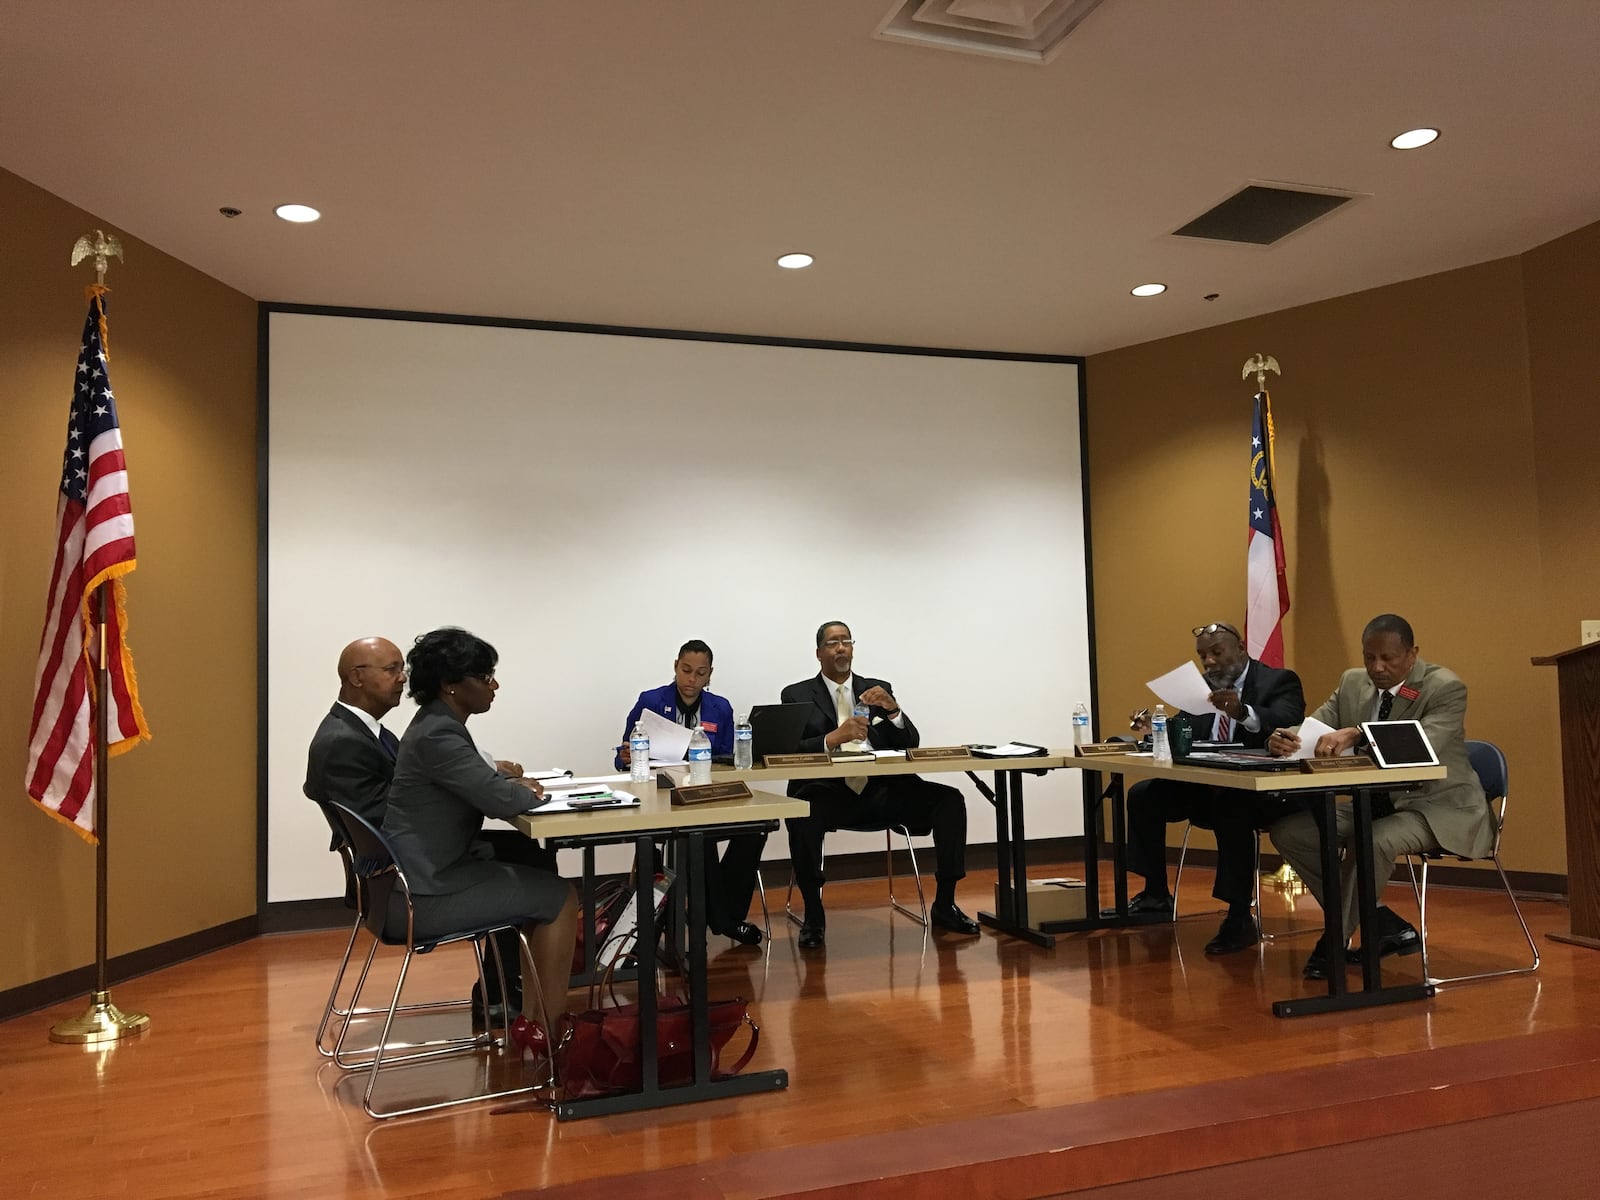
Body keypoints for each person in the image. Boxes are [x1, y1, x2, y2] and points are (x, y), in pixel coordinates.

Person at [1266, 614, 1494, 980]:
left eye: (1388, 658)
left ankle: (1335, 941)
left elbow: (1419, 745)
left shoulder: (1444, 687)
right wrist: (1283, 737)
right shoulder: (1353, 682)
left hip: (1437, 807)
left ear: (1413, 654)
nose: (1377, 667)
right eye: (1369, 657)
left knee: (1371, 841)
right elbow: (1318, 725)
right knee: (1294, 833)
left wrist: (1357, 732)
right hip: (1374, 803)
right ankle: (1379, 921)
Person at [382, 627, 579, 1049]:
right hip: (425, 893)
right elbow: (500, 799)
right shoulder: (439, 734)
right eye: (485, 676)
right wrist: (520, 789)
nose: (495, 685)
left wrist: (508, 784)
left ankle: (530, 1014)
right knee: (561, 898)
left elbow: (485, 782)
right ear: (452, 684)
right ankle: (547, 1026)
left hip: (419, 878)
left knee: (533, 866)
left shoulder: (437, 724)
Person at [781, 621, 979, 949]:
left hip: (882, 789)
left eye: (846, 641)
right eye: (833, 643)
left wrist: (893, 710)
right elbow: (790, 751)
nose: (841, 648)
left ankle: (945, 903)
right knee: (803, 814)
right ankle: (814, 915)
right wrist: (833, 738)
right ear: (819, 653)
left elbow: (908, 742)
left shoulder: (877, 688)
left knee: (949, 800)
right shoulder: (796, 694)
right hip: (829, 792)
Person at [1124, 622, 1306, 955]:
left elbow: (1287, 719)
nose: (1208, 662)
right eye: (1202, 656)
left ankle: (1239, 916)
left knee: (1231, 806)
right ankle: (1155, 895)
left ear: (1240, 648)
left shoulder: (1277, 681)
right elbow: (1187, 730)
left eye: (1216, 653)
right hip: (1207, 785)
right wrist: (1157, 727)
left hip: (1259, 793)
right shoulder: (1202, 687)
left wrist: (1241, 711)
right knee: (1143, 795)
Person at [614, 639, 768, 945]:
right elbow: (623, 757)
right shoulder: (651, 701)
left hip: (707, 795)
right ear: (675, 667)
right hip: (661, 799)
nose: (692, 679)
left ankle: (725, 912)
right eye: (686, 670)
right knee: (699, 835)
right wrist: (627, 756)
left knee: (756, 830)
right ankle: (723, 921)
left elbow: (728, 759)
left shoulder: (720, 707)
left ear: (710, 675)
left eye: (700, 673)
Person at [303, 636, 408, 839]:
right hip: (402, 864)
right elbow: (387, 820)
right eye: (391, 669)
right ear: (357, 677)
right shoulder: (342, 744)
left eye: (402, 669)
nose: (402, 678)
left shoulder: (370, 733)